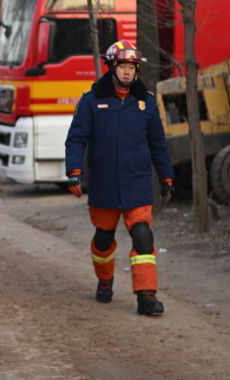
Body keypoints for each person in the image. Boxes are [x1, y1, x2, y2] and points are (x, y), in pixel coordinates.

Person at [65, 39, 174, 316]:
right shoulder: (91, 101)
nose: (127, 72)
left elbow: (158, 143)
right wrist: (74, 171)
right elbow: (76, 139)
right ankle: (105, 279)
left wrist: (166, 177)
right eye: (122, 66)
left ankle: (146, 296)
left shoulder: (146, 103)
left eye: (131, 67)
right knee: (103, 239)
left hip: (137, 183)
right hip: (104, 183)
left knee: (143, 236)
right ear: (111, 67)